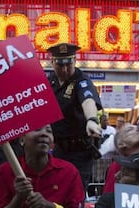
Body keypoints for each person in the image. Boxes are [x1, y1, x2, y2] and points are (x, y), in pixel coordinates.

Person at [46, 42, 102, 191]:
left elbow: (88, 100)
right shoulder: (49, 81)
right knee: (54, 189)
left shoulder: (81, 80)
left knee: (75, 191)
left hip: (80, 151)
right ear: (52, 62)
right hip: (58, 149)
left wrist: (91, 120)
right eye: (60, 65)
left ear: (75, 61)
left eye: (68, 65)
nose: (64, 69)